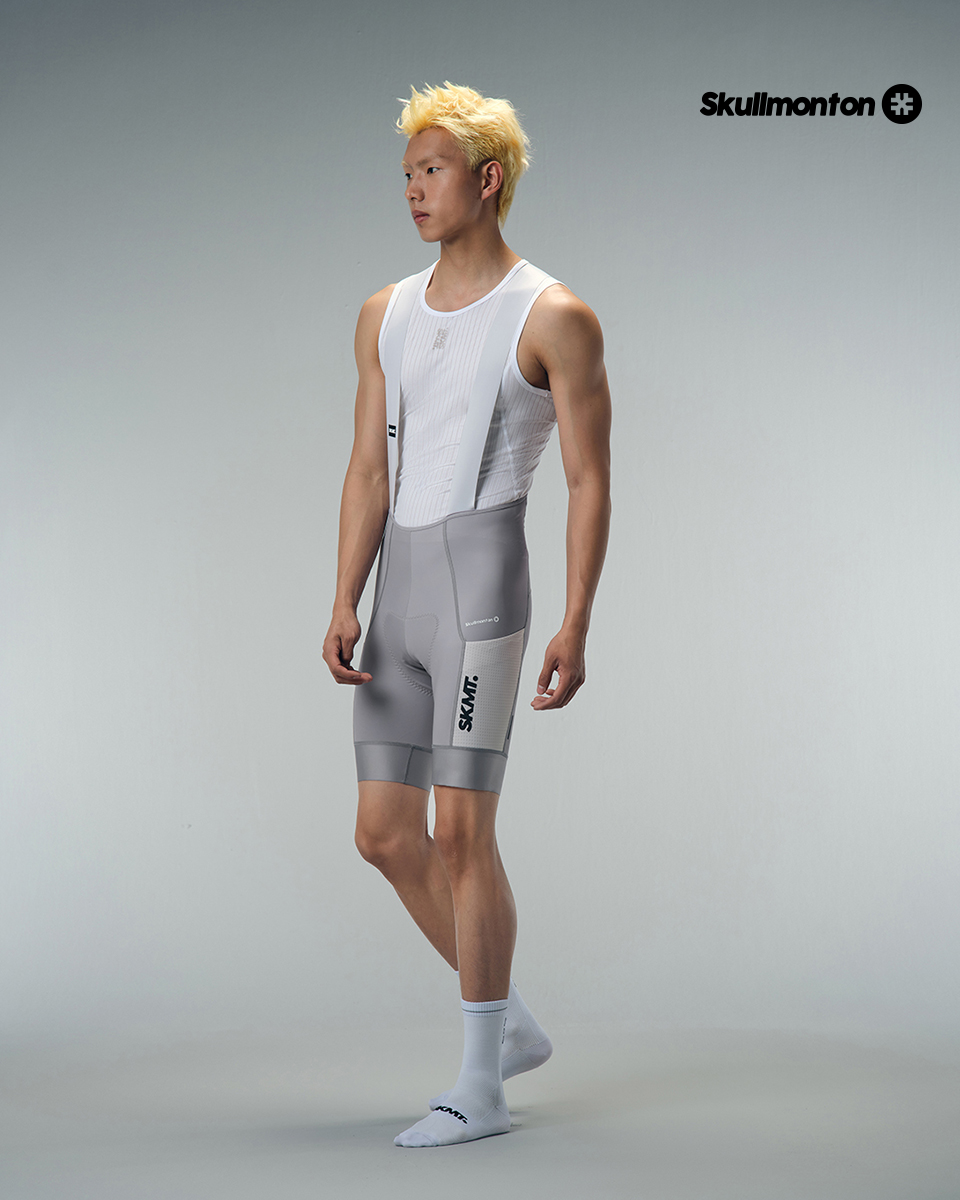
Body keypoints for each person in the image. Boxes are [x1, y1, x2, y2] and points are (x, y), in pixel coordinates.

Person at [322, 83, 611, 1147]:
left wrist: (576, 621)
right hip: (397, 594)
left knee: (460, 833)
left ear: (487, 180)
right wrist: (344, 595)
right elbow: (368, 466)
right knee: (382, 833)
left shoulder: (554, 316)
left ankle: (480, 1086)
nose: (412, 190)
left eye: (432, 171)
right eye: (406, 174)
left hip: (483, 592)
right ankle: (511, 1021)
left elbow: (588, 479)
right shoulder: (384, 312)